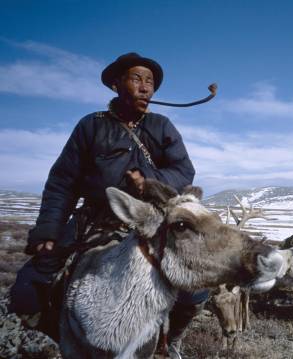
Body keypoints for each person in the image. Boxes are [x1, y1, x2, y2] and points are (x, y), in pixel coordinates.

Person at [8, 52, 207, 357]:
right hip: (94, 220)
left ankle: (170, 343)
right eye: (137, 79)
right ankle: (58, 336)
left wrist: (149, 181)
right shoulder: (91, 126)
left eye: (150, 82)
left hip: (151, 221)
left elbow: (183, 171)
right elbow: (63, 182)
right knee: (27, 287)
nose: (145, 88)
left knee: (196, 289)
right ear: (116, 84)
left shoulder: (161, 126)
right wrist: (48, 232)